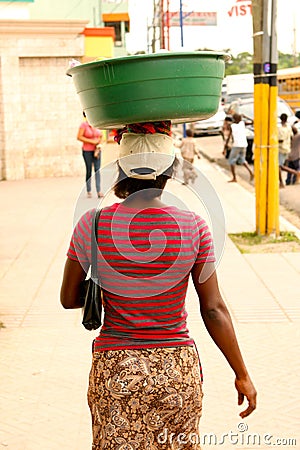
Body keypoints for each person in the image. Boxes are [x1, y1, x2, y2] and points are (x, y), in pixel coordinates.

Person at [60, 121, 257, 449]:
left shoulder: (92, 223)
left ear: (120, 168)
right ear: (167, 171)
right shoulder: (193, 225)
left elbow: (68, 298)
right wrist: (242, 373)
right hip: (176, 369)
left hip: (117, 368)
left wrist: (112, 285)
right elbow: (213, 308)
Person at [77, 112, 103, 198]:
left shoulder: (98, 124)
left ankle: (99, 191)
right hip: (87, 151)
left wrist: (99, 143)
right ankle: (88, 190)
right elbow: (79, 137)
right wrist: (92, 141)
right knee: (89, 170)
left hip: (97, 150)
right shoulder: (83, 125)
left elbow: (101, 136)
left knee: (97, 170)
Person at [225, 113, 254, 183]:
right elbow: (253, 121)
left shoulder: (232, 126)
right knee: (242, 160)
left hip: (237, 145)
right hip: (244, 144)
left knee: (231, 161)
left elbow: (229, 137)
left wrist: (225, 145)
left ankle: (234, 178)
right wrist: (245, 116)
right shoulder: (242, 123)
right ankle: (251, 172)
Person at [278, 114, 300, 187]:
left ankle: (296, 173)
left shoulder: (280, 128)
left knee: (280, 166)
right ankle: (283, 181)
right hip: (287, 149)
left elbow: (280, 140)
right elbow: (291, 136)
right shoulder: (289, 128)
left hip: (281, 148)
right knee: (281, 166)